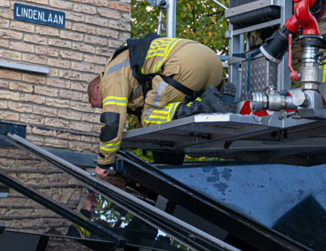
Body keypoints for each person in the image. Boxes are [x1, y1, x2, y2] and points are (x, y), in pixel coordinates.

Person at [89, 34, 232, 179]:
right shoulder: (128, 63)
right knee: (158, 117)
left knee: (149, 117)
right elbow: (148, 102)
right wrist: (139, 139)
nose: (105, 106)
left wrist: (103, 163)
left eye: (102, 104)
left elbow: (114, 120)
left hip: (184, 65)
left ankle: (202, 107)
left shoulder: (110, 77)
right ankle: (218, 100)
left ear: (98, 89)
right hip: (212, 64)